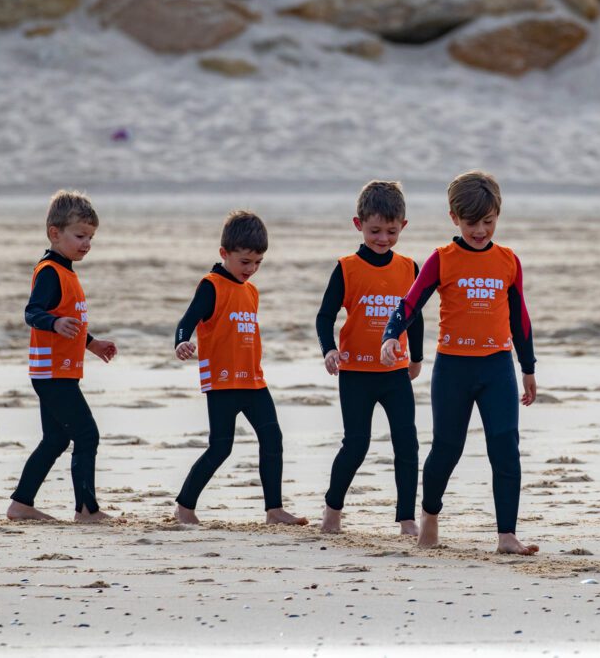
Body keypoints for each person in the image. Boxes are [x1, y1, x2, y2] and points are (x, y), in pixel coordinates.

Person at [381, 170, 538, 555]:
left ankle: (506, 535)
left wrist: (528, 367)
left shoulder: (507, 261)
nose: (481, 230)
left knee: (505, 446)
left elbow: (520, 317)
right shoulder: (441, 259)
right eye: (472, 223)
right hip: (453, 367)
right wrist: (390, 335)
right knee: (447, 448)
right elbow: (411, 303)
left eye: (488, 221)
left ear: (497, 215)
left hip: (497, 365)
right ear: (454, 217)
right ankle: (430, 516)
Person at [173, 210, 307, 527]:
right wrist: (181, 343)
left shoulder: (251, 291)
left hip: (254, 382)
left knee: (272, 439)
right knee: (221, 448)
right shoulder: (211, 285)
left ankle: (274, 510)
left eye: (258, 263)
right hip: (222, 384)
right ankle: (184, 506)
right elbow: (186, 322)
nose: (251, 270)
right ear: (224, 253)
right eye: (245, 262)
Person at [316, 181, 424, 536]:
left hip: (394, 372)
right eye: (375, 230)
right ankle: (332, 511)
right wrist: (329, 349)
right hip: (356, 372)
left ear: (403, 227)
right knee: (356, 444)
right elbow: (324, 316)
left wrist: (416, 359)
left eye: (391, 231)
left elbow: (416, 316)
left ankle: (407, 520)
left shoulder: (409, 268)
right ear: (358, 224)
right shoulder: (346, 268)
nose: (382, 238)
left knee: (406, 443)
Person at [8, 190, 118, 523]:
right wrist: (53, 322)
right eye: (80, 235)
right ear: (55, 233)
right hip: (52, 374)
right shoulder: (49, 271)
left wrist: (92, 343)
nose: (86, 243)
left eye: (91, 237)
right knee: (87, 434)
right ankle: (86, 510)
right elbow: (32, 313)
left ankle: (21, 504)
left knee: (56, 438)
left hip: (60, 371)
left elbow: (71, 321)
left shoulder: (68, 273)